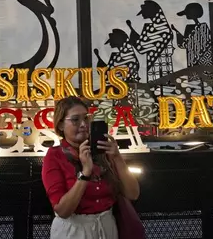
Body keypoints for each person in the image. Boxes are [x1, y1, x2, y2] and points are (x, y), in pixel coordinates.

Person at [42, 97, 140, 239]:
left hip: (107, 228)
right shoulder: (55, 156)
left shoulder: (103, 152)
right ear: (61, 125)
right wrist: (85, 173)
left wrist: (118, 158)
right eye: (75, 120)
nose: (83, 124)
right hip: (73, 231)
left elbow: (133, 194)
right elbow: (63, 211)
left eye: (86, 118)